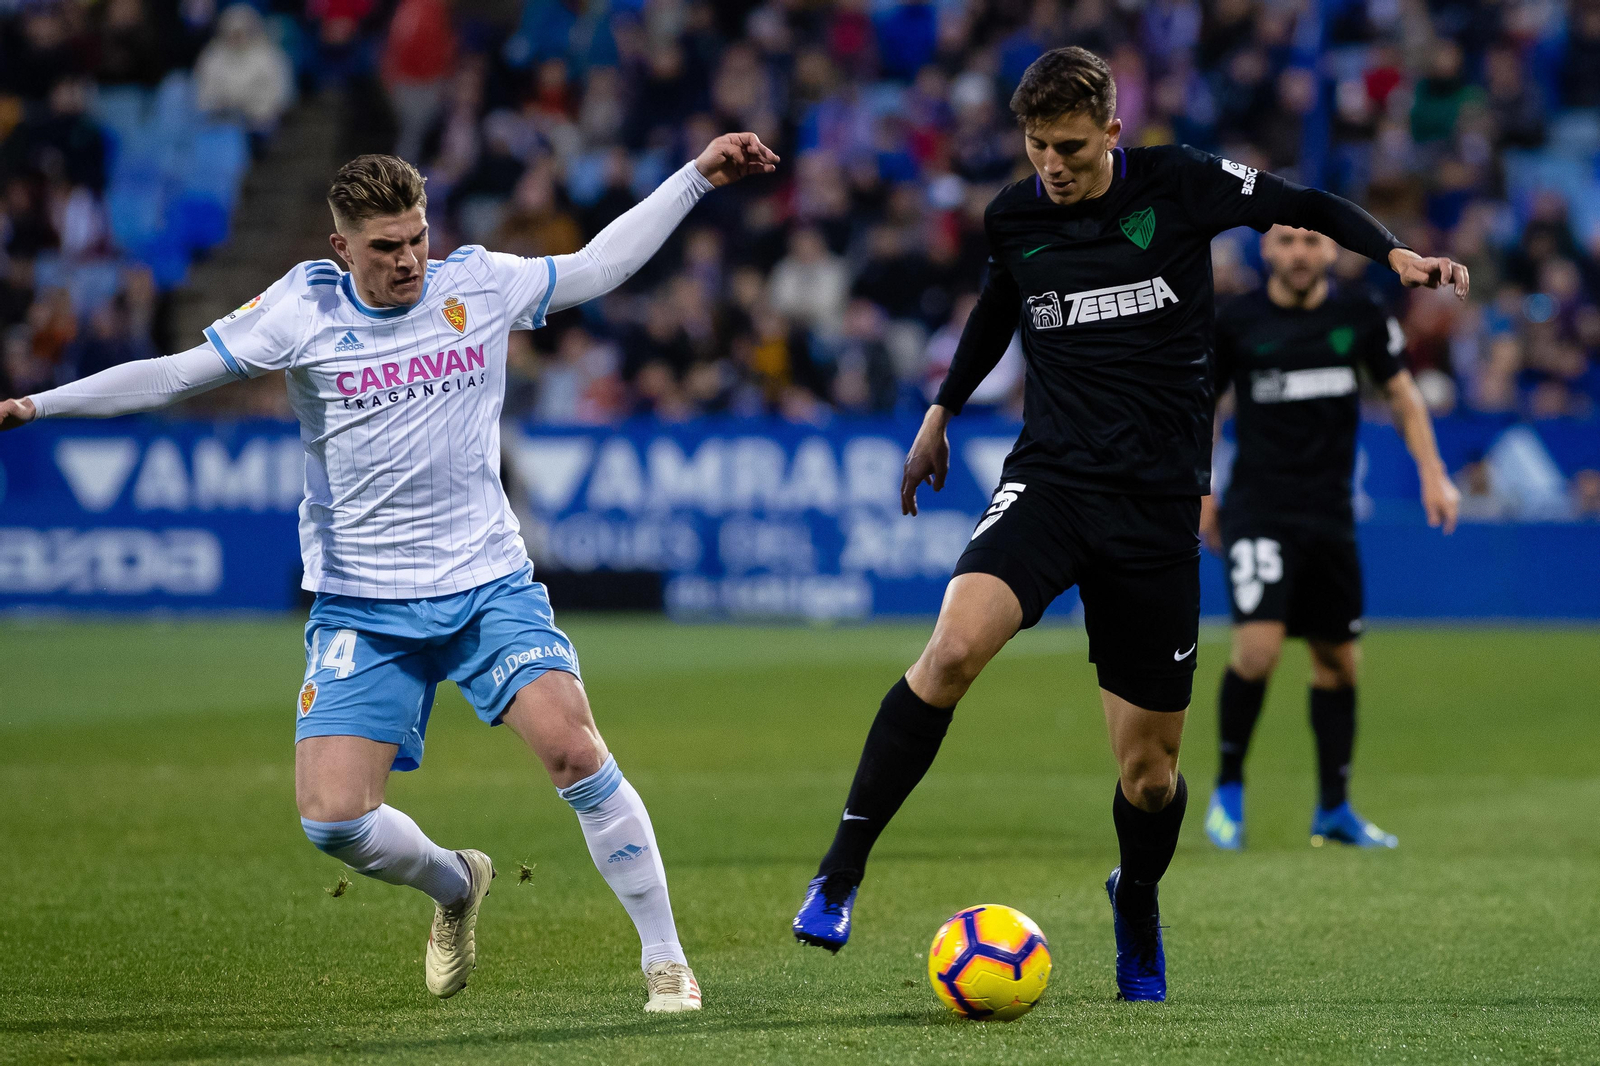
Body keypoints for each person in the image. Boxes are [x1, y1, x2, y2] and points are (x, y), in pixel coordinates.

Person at [0, 134, 779, 1011]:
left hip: (487, 583)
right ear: (342, 248)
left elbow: (598, 266)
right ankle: (455, 885)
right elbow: (177, 375)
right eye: (385, 246)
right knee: (333, 821)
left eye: (415, 238)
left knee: (573, 749)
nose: (408, 260)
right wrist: (41, 402)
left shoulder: (475, 285)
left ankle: (665, 959)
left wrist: (695, 177)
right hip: (363, 604)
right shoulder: (301, 310)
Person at [789, 47, 1468, 1003]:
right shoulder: (1015, 215)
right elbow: (999, 302)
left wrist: (1388, 250)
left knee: (1149, 778)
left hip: (1156, 511)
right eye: (1036, 147)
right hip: (1053, 482)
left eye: (1069, 146)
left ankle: (1136, 898)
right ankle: (840, 872)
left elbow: (1298, 202)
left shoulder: (1180, 183)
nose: (1051, 166)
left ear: (1112, 132)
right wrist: (940, 410)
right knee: (947, 653)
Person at [1201, 225, 1460, 852]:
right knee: (1257, 653)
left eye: (1310, 243)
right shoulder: (1235, 321)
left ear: (1330, 253)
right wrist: (1201, 493)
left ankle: (1334, 809)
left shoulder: (1360, 314)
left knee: (1338, 663)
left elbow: (1400, 394)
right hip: (1259, 510)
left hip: (1330, 515)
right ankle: (1228, 791)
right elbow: (1202, 407)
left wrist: (1433, 473)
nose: (1297, 253)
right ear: (1267, 251)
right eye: (1286, 241)